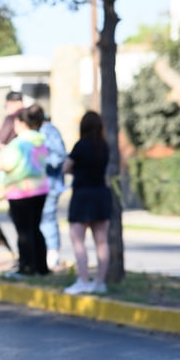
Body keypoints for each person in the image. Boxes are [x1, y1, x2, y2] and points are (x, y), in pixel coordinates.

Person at [0, 104, 50, 277]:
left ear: (22, 124)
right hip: (40, 190)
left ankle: (26, 268)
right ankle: (41, 267)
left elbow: (5, 165)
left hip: (20, 191)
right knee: (35, 229)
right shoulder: (41, 141)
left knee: (24, 232)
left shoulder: (18, 144)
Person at [63, 111, 112, 295]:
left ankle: (83, 280)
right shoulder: (104, 146)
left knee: (78, 240)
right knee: (102, 241)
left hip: (83, 195)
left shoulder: (80, 146)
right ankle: (100, 282)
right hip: (101, 194)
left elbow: (65, 167)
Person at [39, 116, 68, 268]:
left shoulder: (47, 131)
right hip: (46, 183)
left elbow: (58, 157)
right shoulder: (48, 131)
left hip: (49, 183)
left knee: (47, 218)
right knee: (46, 218)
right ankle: (50, 253)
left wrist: (40, 161)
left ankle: (52, 254)